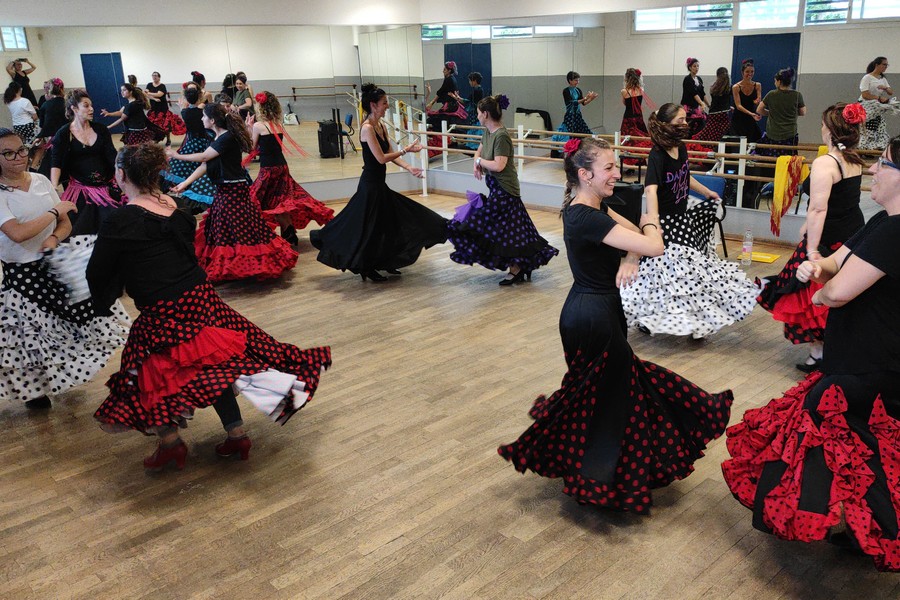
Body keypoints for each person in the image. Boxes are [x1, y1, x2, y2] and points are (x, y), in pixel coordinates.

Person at [498, 137, 732, 513]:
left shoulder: (592, 208)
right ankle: (600, 479)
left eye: (616, 166)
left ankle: (601, 473)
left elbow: (636, 242)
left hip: (595, 310)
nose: (617, 174)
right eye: (609, 168)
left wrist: (631, 254)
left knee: (603, 397)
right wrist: (651, 212)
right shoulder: (585, 216)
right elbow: (653, 243)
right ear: (585, 174)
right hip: (592, 317)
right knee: (614, 395)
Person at [87, 143, 331, 471]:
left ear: (120, 175)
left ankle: (171, 444)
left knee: (149, 371)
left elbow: (98, 271)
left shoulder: (121, 220)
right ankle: (236, 434)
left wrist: (100, 302)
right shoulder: (176, 206)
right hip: (200, 298)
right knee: (214, 363)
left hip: (165, 309)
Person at [722, 135, 900, 572]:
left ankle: (880, 531)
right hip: (857, 359)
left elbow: (839, 291)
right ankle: (865, 529)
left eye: (885, 164)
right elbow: (839, 261)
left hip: (867, 365)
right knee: (856, 448)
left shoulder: (897, 230)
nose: (874, 170)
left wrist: (821, 293)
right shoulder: (881, 223)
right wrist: (816, 266)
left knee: (848, 442)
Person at [0, 128, 129, 410]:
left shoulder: (41, 180)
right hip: (21, 276)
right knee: (28, 338)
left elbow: (66, 221)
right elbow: (17, 233)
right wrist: (53, 213)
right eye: (8, 153)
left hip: (52, 263)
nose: (18, 157)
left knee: (67, 329)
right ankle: (35, 390)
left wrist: (55, 235)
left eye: (21, 149)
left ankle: (59, 377)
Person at [619, 103, 758, 338]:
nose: (685, 124)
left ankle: (695, 321)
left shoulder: (681, 149)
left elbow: (685, 176)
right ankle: (650, 318)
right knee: (660, 273)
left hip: (682, 221)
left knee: (689, 272)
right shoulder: (657, 154)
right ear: (667, 124)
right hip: (664, 222)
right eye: (680, 120)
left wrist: (706, 192)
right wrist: (653, 223)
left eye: (685, 119)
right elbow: (650, 189)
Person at [757, 102, 866, 373]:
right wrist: (808, 225)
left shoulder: (826, 163)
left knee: (811, 295)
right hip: (852, 235)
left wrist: (813, 250)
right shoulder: (852, 159)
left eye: (822, 124)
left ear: (830, 130)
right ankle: (823, 352)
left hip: (829, 239)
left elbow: (819, 207)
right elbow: (836, 202)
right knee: (828, 295)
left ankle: (821, 354)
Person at [310, 83, 447, 282]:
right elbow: (381, 158)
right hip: (370, 186)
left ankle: (386, 261)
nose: (387, 106)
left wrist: (409, 167)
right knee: (368, 230)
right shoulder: (367, 129)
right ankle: (367, 267)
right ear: (373, 105)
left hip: (378, 185)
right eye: (384, 103)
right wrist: (406, 150)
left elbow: (390, 155)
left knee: (387, 225)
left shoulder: (380, 125)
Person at [168, 103, 298, 282]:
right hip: (225, 189)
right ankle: (235, 266)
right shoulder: (218, 137)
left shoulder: (226, 138)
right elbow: (206, 164)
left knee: (238, 229)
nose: (201, 119)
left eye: (204, 116)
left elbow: (205, 157)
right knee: (227, 229)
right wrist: (185, 183)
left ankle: (248, 266)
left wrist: (177, 156)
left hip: (233, 191)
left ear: (212, 120)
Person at [448, 94, 558, 285]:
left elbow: (499, 165)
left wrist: (478, 161)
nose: (477, 116)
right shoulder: (488, 132)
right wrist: (477, 162)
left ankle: (518, 268)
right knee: (513, 231)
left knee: (490, 224)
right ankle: (519, 267)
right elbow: (480, 150)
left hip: (505, 189)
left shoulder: (501, 136)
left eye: (479, 113)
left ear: (486, 114)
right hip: (496, 188)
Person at [249, 91, 334, 245]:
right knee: (281, 201)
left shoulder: (258, 126)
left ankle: (286, 231)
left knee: (260, 201)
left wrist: (249, 127)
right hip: (281, 167)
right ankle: (288, 231)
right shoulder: (277, 125)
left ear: (260, 107)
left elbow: (252, 149)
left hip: (268, 169)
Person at [51, 89, 124, 236]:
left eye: (91, 105)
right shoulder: (64, 133)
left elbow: (112, 156)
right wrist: (53, 189)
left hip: (107, 187)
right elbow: (56, 162)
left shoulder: (100, 129)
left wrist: (123, 178)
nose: (91, 109)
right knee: (82, 229)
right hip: (82, 191)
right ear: (74, 108)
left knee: (115, 225)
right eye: (86, 105)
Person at [162, 85, 216, 212]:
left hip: (192, 143)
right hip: (205, 142)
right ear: (200, 97)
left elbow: (188, 108)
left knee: (187, 165)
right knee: (200, 164)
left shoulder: (184, 112)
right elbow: (203, 104)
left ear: (186, 98)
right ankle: (193, 184)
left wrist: (183, 105)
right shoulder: (202, 111)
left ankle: (187, 184)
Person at [756, 67, 807, 157]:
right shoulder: (797, 95)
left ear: (779, 82)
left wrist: (770, 113)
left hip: (773, 133)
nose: (774, 82)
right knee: (788, 159)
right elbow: (803, 112)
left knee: (771, 160)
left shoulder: (771, 94)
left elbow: (759, 110)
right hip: (789, 134)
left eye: (775, 81)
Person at [100, 83, 165, 146]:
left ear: (130, 92)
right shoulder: (135, 102)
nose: (122, 92)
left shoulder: (131, 105)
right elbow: (120, 112)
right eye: (121, 90)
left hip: (136, 132)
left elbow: (122, 118)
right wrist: (109, 114)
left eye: (124, 90)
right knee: (140, 150)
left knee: (135, 151)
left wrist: (109, 127)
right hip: (138, 131)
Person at [858, 57, 895, 151]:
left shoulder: (882, 79)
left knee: (879, 127)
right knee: (867, 128)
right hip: (867, 107)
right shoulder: (867, 78)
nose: (886, 67)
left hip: (877, 108)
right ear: (877, 65)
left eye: (887, 65)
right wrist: (878, 98)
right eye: (884, 64)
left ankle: (875, 147)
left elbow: (891, 92)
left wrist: (885, 88)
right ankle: (864, 147)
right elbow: (865, 94)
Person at [34, 77, 66, 177]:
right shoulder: (68, 104)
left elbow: (44, 125)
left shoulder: (46, 105)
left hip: (56, 141)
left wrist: (39, 136)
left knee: (52, 166)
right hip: (70, 138)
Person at [619, 67, 652, 166]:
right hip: (638, 117)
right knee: (639, 139)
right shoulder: (641, 89)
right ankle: (640, 160)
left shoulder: (624, 91)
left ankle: (632, 161)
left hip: (628, 118)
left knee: (629, 141)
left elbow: (625, 103)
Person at [146, 71, 187, 147]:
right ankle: (156, 139)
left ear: (159, 77)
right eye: (153, 75)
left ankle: (168, 139)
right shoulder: (149, 85)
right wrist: (154, 98)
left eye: (156, 75)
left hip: (162, 108)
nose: (154, 77)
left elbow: (159, 94)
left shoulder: (162, 86)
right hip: (153, 108)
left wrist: (149, 93)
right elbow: (146, 94)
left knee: (166, 125)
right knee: (153, 125)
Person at [692, 67, 732, 142]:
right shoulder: (728, 87)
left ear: (717, 76)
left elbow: (717, 100)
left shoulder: (713, 86)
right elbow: (723, 101)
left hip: (713, 113)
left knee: (710, 134)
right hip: (723, 114)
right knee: (722, 135)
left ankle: (707, 147)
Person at [425, 61, 465, 133]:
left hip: (450, 106)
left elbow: (440, 92)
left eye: (444, 70)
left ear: (449, 71)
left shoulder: (449, 79)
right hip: (452, 105)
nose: (443, 71)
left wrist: (431, 103)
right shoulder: (452, 78)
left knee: (436, 121)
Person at [730, 58, 762, 143]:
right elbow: (738, 106)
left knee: (752, 141)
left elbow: (758, 100)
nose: (750, 74)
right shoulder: (736, 87)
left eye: (752, 72)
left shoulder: (757, 85)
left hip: (751, 119)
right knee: (737, 143)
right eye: (747, 72)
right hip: (738, 118)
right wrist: (751, 114)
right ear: (742, 72)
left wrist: (757, 102)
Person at [560, 71, 597, 138]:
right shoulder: (566, 91)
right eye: (575, 80)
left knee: (585, 132)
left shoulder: (578, 90)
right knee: (571, 134)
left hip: (578, 115)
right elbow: (573, 102)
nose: (577, 82)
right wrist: (586, 97)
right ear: (570, 81)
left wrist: (591, 98)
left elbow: (584, 103)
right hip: (570, 116)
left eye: (578, 80)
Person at [3, 82, 38, 147]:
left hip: (17, 127)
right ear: (19, 90)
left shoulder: (9, 102)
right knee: (33, 145)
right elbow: (35, 117)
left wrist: (31, 107)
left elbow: (19, 109)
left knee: (22, 145)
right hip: (27, 126)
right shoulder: (25, 101)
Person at [681, 57, 708, 136]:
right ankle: (688, 142)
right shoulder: (687, 79)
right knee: (690, 126)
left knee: (702, 123)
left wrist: (709, 104)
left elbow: (702, 93)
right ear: (690, 67)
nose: (697, 68)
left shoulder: (699, 79)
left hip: (696, 107)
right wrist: (702, 103)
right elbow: (694, 93)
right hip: (689, 107)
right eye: (694, 66)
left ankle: (695, 141)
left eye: (698, 66)